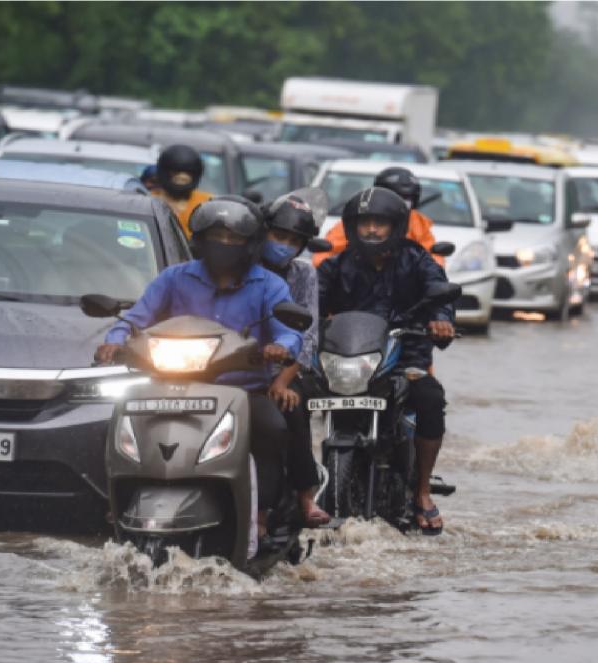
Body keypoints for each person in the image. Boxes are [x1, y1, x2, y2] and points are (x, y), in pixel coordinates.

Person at [94, 195, 300, 537]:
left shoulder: (269, 285)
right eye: (217, 236)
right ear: (200, 240)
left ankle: (261, 512)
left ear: (250, 244)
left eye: (233, 238)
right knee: (114, 422)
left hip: (242, 390)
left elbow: (289, 332)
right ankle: (116, 499)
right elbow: (137, 318)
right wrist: (114, 341)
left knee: (272, 429)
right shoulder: (174, 278)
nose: (224, 244)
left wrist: (280, 348)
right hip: (168, 385)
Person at [318, 186, 456, 535]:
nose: (371, 230)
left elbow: (439, 295)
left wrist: (441, 320)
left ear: (395, 226)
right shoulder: (337, 265)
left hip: (404, 360)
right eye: (364, 223)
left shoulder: (417, 260)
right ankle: (300, 493)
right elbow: (312, 303)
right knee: (293, 397)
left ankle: (422, 491)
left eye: (379, 223)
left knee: (430, 398)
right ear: (352, 227)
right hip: (349, 362)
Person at [260, 193, 331, 527]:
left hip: (289, 368)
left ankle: (306, 495)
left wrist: (282, 381)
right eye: (279, 236)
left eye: (293, 241)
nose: (285, 246)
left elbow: (308, 334)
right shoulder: (242, 268)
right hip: (237, 365)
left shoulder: (304, 275)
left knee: (294, 408)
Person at [312, 167, 443, 267]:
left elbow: (434, 259)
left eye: (408, 199)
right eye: (395, 198)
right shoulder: (358, 219)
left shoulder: (418, 222)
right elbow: (324, 256)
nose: (372, 228)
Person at [150, 145, 211, 238]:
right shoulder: (149, 202)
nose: (182, 177)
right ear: (164, 173)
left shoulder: (206, 204)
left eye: (188, 173)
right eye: (175, 173)